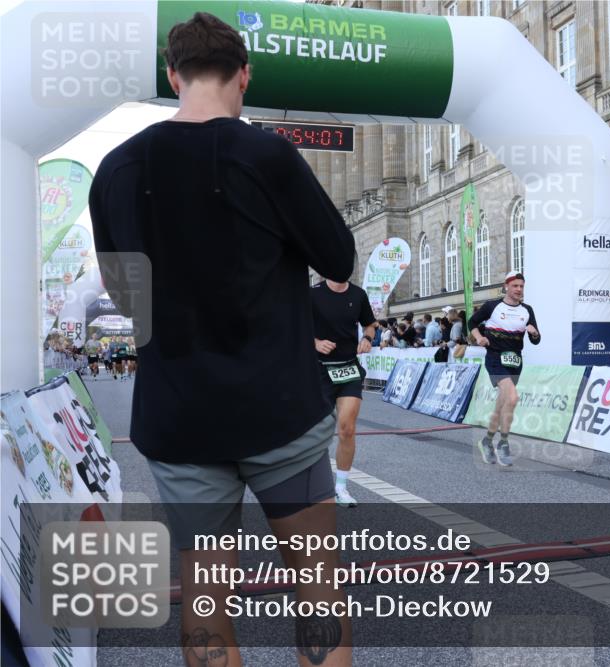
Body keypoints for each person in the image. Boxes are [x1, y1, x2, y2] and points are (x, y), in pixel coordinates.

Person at [90, 13, 355, 666]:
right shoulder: (265, 154)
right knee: (318, 591)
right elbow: (339, 260)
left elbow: (128, 298)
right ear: (244, 76)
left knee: (204, 604)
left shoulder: (116, 170)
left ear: (173, 76)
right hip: (281, 411)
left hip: (180, 420)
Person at [311, 278, 376, 508]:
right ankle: (312, 485)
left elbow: (370, 324)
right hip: (319, 370)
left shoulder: (358, 295)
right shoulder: (313, 293)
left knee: (347, 428)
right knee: (316, 431)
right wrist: (315, 342)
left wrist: (367, 338)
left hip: (348, 368)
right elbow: (294, 326)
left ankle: (340, 487)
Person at [468, 271, 540, 467]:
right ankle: (504, 443)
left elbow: (536, 339)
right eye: (515, 286)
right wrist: (479, 337)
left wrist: (533, 333)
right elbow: (472, 322)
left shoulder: (527, 310)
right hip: (495, 358)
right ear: (506, 287)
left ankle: (487, 441)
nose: (519, 289)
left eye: (521, 286)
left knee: (501, 405)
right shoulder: (492, 306)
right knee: (513, 397)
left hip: (515, 361)